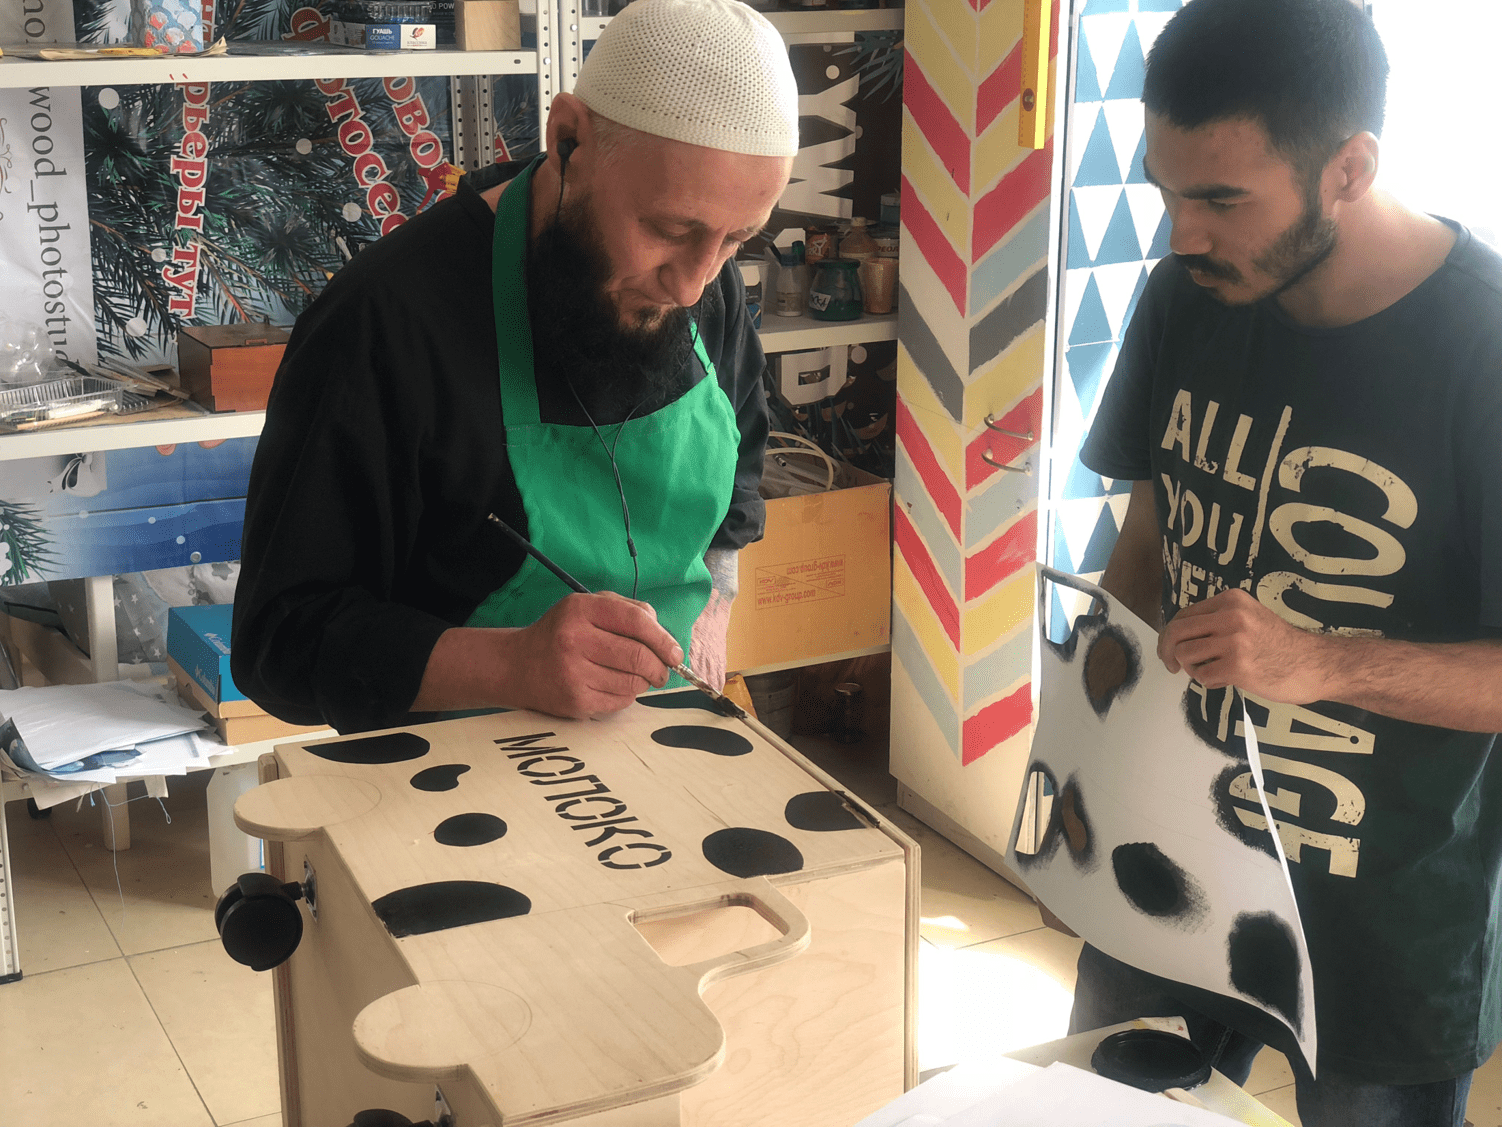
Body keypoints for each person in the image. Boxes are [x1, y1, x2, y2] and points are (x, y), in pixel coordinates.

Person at [1070, 0, 1502, 1122]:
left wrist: (1319, 661)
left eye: (1221, 199)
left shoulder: (1483, 350)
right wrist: (1086, 731)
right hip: (1164, 863)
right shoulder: (1188, 293)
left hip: (1381, 932)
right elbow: (1150, 536)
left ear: (1348, 169)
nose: (1180, 233)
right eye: (1166, 191)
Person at [232, 0, 798, 734]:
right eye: (668, 229)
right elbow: (279, 640)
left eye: (736, 240)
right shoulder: (384, 323)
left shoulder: (706, 282)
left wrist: (716, 603)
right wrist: (511, 664)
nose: (693, 284)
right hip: (452, 771)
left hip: (657, 737)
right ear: (569, 139)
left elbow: (743, 448)